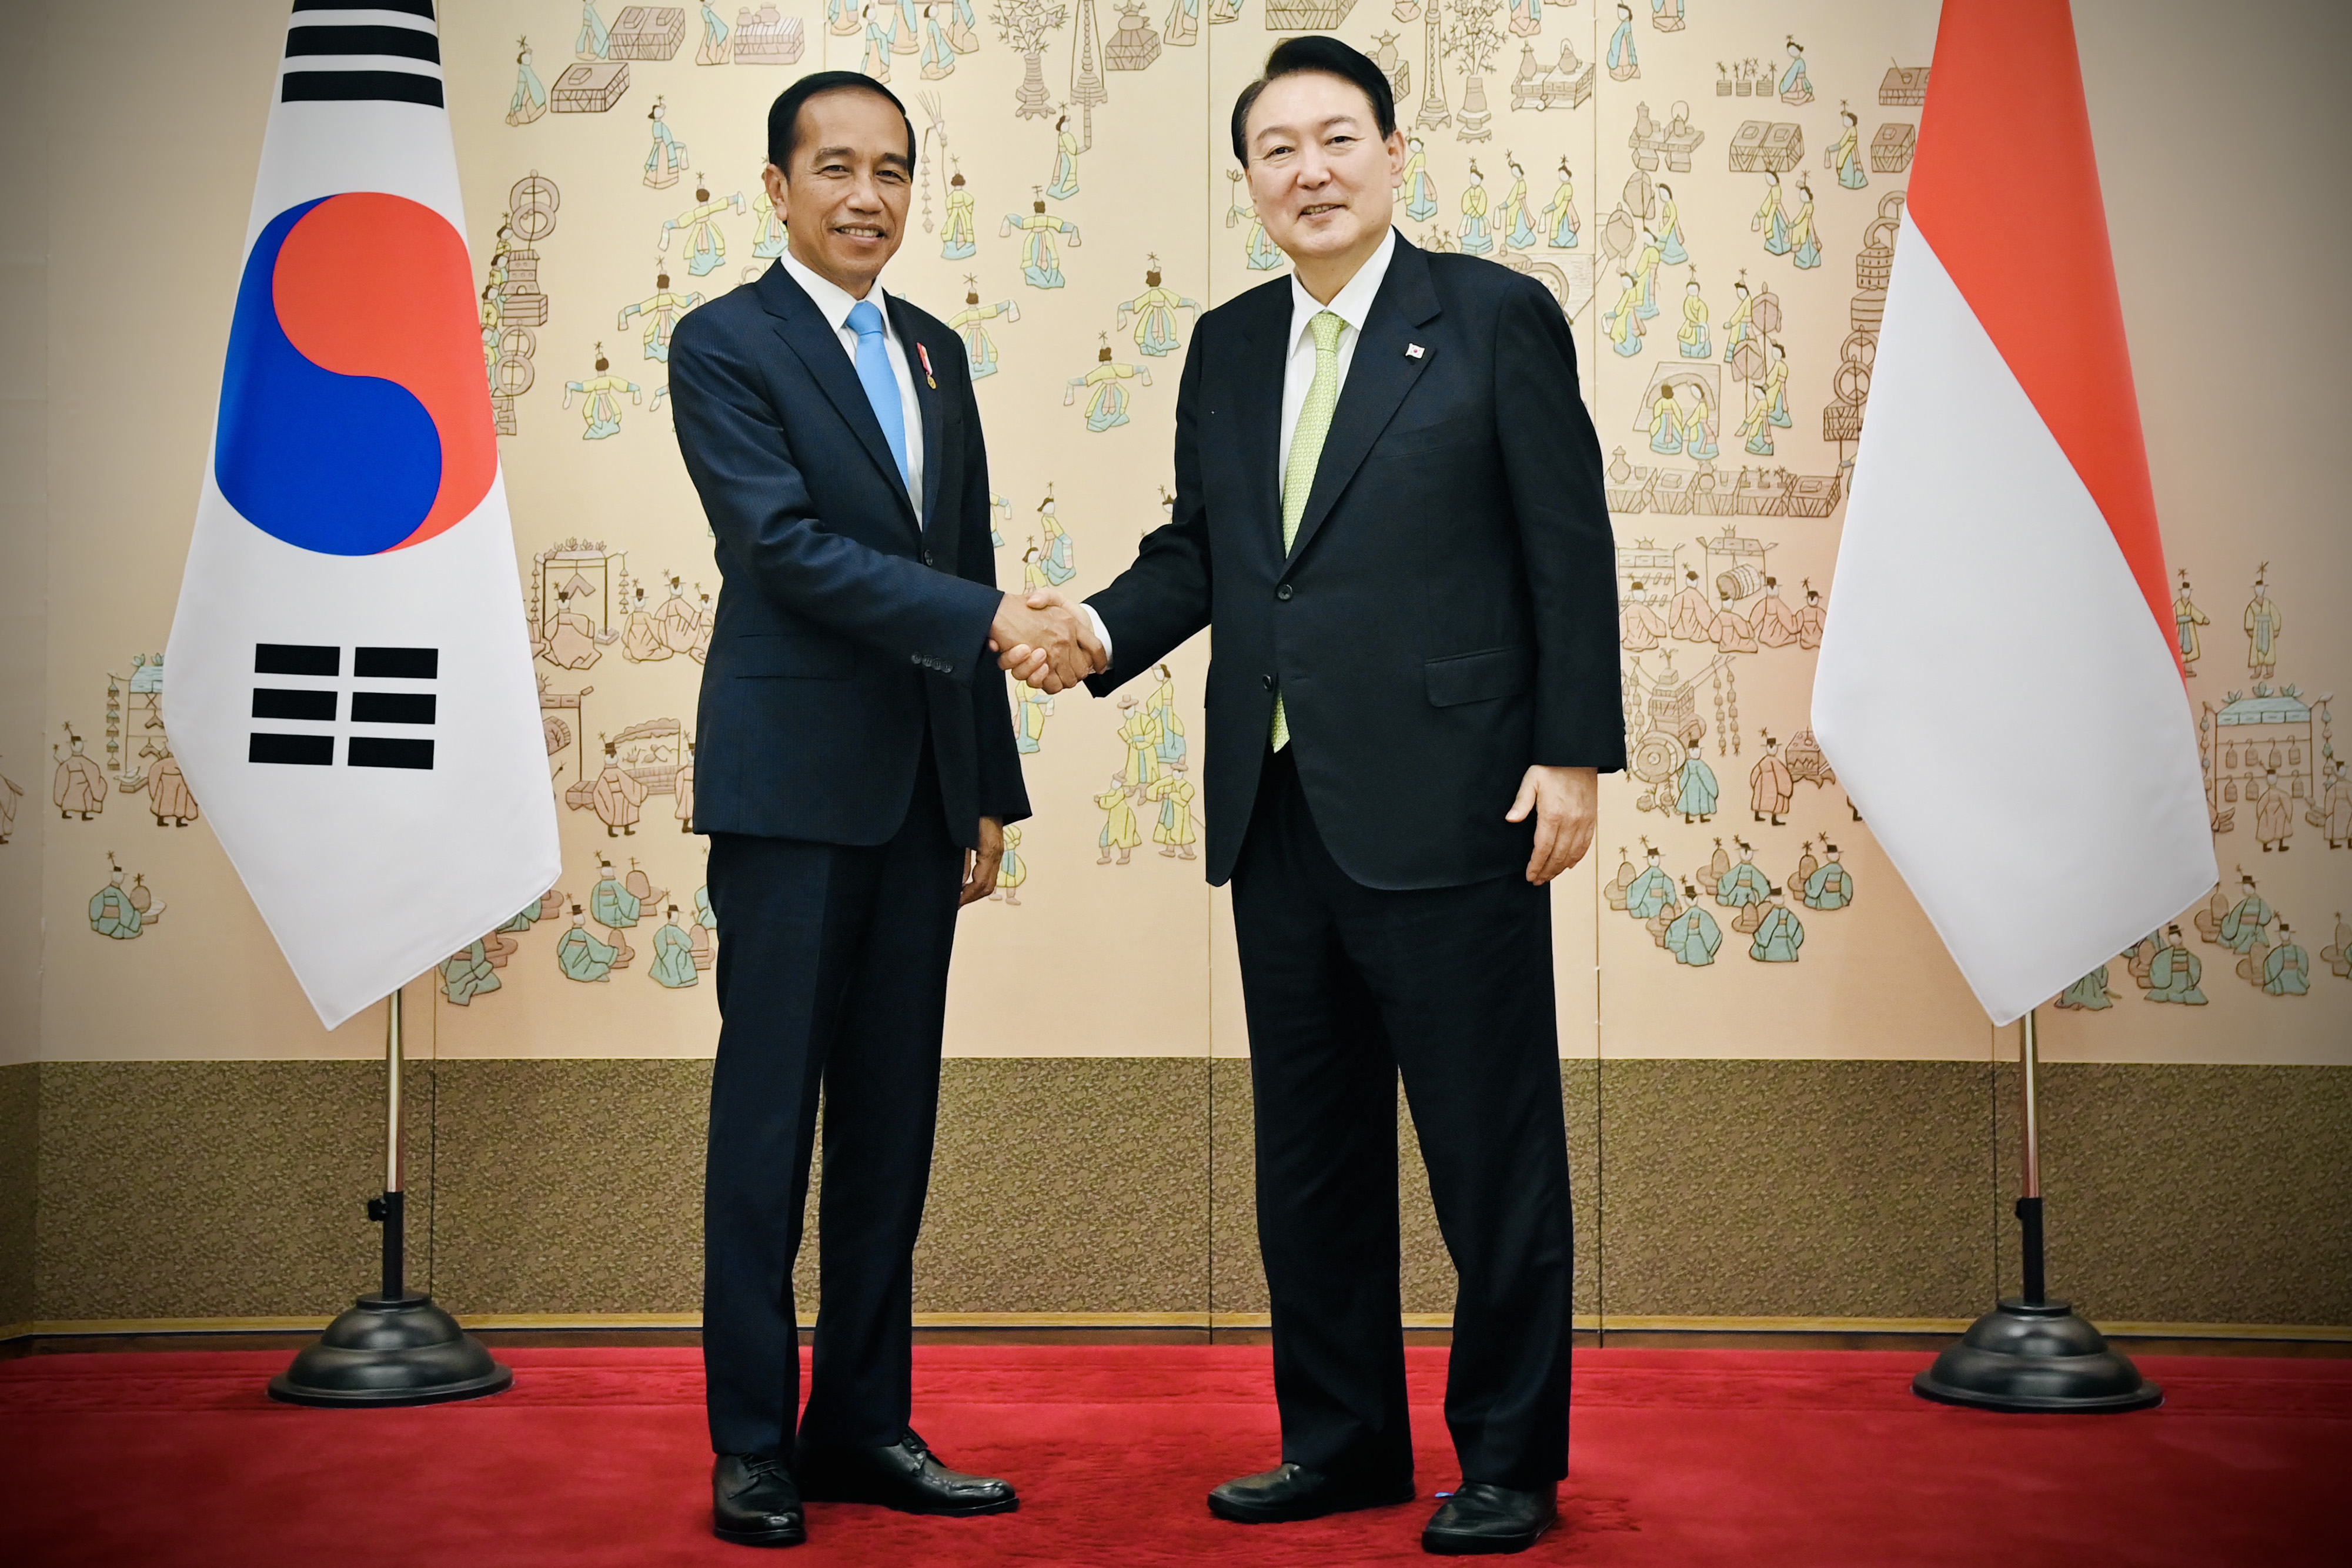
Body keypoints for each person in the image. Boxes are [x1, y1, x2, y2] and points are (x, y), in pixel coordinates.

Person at [1001, 39, 1621, 1554]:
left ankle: (1508, 1460)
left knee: (1488, 1156)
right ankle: (1340, 1442)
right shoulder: (1226, 344)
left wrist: (1570, 752)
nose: (1309, 170)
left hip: (1458, 802)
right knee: (1311, 1159)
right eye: (1275, 149)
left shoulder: (1490, 316)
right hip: (1275, 806)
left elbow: (1566, 544)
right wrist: (1092, 629)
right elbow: (1205, 553)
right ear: (1249, 183)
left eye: (1336, 138)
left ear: (1394, 155)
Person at [667, 72, 1089, 1550]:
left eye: (893, 170)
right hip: (788, 793)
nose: (867, 196)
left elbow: (960, 552)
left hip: (920, 797)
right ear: (776, 187)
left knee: (890, 1127)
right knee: (765, 1128)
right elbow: (779, 548)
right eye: (835, 167)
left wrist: (987, 787)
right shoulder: (723, 343)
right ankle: (750, 1441)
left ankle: (858, 1420)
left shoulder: (934, 351)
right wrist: (988, 618)